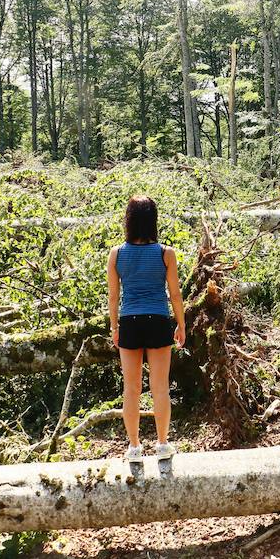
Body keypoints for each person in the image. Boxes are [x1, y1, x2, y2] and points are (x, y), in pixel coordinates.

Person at [107, 195, 185, 462]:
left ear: (129, 220)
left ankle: (134, 448)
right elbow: (175, 295)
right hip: (159, 320)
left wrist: (113, 327)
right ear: (153, 220)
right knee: (160, 387)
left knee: (131, 389)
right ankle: (162, 444)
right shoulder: (166, 254)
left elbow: (113, 297)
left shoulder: (116, 254)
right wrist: (181, 325)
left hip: (129, 322)